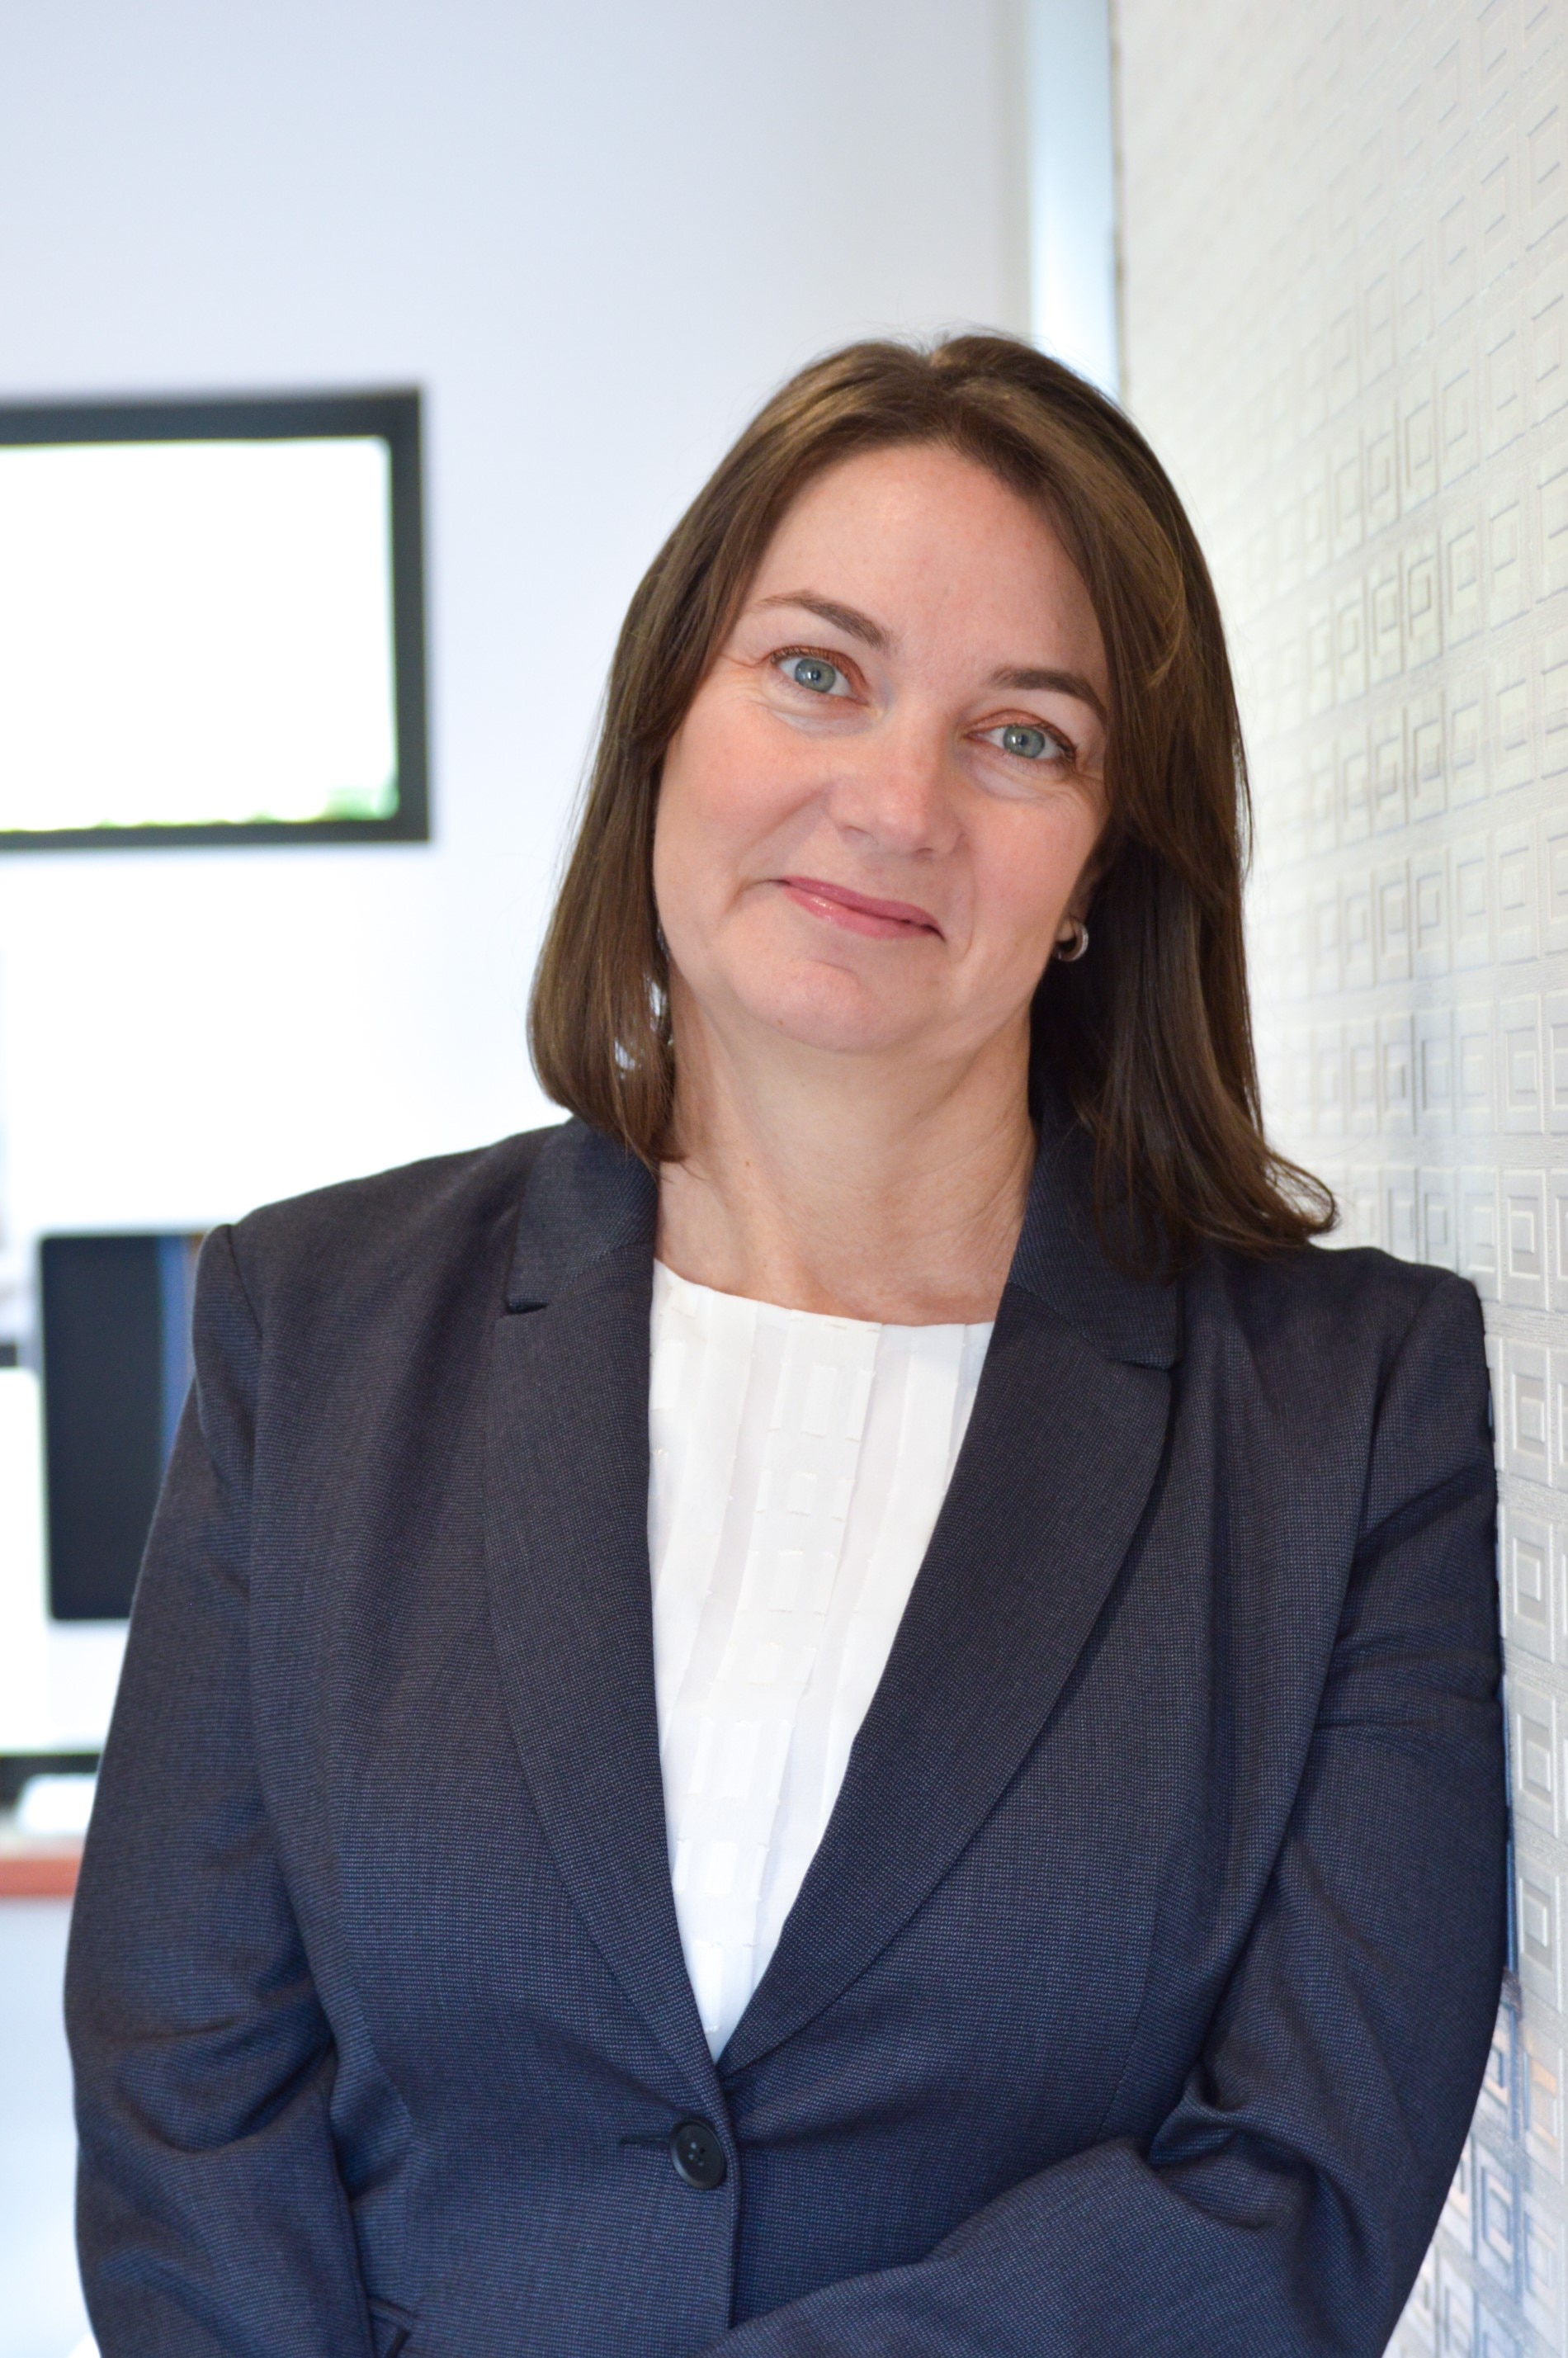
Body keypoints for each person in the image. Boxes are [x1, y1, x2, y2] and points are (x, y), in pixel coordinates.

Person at [67, 333, 1506, 2358]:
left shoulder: (1348, 1417)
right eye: (817, 671)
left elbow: (1297, 2195)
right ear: (669, 717)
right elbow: (183, 2092)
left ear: (1103, 868)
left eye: (1022, 736)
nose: (893, 800)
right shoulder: (307, 1330)